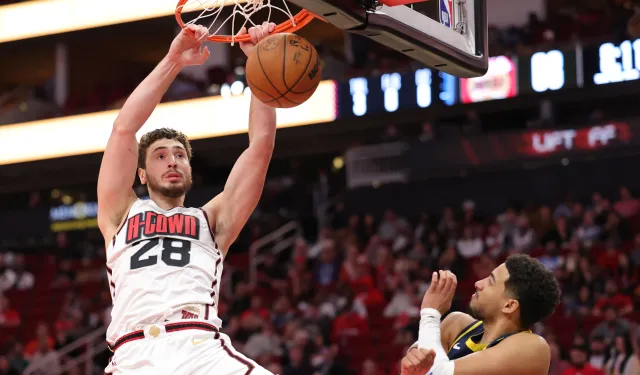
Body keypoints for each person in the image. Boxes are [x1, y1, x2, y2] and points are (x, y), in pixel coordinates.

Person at [97, 22, 279, 374]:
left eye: (180, 154)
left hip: (198, 347)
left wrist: (259, 64)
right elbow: (123, 129)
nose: (172, 161)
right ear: (142, 174)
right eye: (161, 155)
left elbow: (260, 146)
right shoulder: (120, 213)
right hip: (134, 353)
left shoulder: (212, 220)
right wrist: (173, 60)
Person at [400, 254, 561, 375]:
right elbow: (417, 369)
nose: (478, 283)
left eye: (490, 281)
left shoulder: (532, 347)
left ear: (509, 305)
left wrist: (430, 312)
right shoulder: (456, 324)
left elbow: (435, 372)